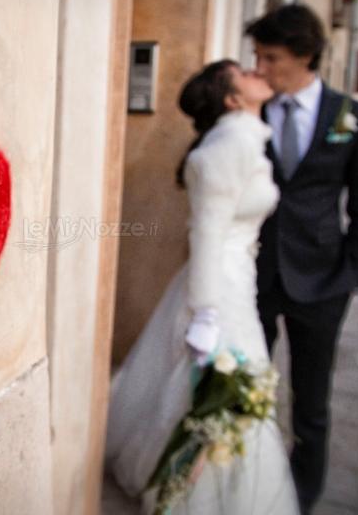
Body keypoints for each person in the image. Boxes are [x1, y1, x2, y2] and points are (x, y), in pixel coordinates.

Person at [105, 60, 299, 515]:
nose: (258, 70)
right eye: (244, 72)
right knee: (221, 385)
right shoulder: (229, 144)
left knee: (226, 389)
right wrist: (208, 312)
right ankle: (197, 493)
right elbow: (207, 232)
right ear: (233, 100)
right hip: (220, 285)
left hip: (237, 277)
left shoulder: (244, 138)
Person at [245, 4, 358, 515]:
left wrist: (353, 273)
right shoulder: (251, 108)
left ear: (305, 56)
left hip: (323, 284)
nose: (260, 68)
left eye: (271, 57)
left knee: (311, 404)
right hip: (256, 278)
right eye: (256, 56)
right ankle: (250, 482)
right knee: (247, 388)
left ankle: (301, 498)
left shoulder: (352, 117)